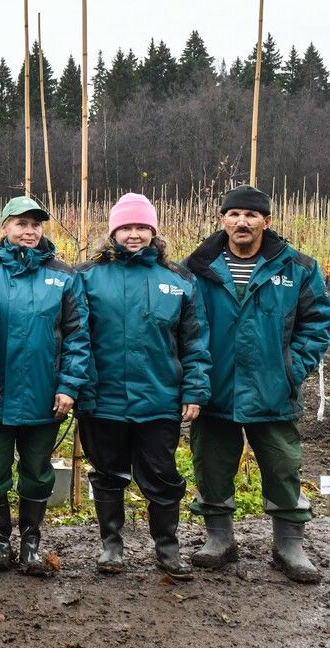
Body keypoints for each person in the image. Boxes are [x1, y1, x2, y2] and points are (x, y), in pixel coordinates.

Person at [182, 185, 330, 583]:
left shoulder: (297, 267)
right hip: (215, 388)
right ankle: (219, 539)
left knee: (283, 465)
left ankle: (289, 545)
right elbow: (184, 326)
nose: (242, 222)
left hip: (273, 391)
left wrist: (291, 367)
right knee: (211, 464)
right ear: (222, 220)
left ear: (267, 221)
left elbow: (318, 322)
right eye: (234, 214)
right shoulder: (197, 267)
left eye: (251, 215)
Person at [77, 193, 211, 580]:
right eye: (126, 228)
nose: (133, 235)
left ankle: (167, 548)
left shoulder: (179, 281)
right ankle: (111, 546)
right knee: (107, 474)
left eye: (141, 227)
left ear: (153, 232)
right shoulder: (86, 277)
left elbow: (195, 342)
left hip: (159, 399)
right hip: (103, 401)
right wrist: (81, 389)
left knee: (163, 477)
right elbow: (74, 339)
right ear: (113, 232)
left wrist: (195, 390)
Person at [0, 196, 91, 576]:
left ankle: (31, 542)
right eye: (21, 223)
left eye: (35, 224)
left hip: (45, 396)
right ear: (4, 227)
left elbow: (77, 336)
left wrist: (69, 386)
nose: (29, 231)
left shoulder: (64, 276)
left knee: (37, 471)